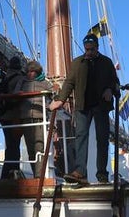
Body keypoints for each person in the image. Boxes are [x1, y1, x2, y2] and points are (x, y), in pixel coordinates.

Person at [48, 33, 120, 184]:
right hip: (82, 106)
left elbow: (115, 82)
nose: (89, 52)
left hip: (101, 106)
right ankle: (80, 172)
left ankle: (102, 174)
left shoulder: (106, 62)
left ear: (97, 47)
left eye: (92, 49)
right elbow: (69, 83)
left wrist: (110, 89)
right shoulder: (77, 63)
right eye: (87, 49)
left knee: (102, 139)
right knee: (81, 137)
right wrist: (60, 100)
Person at [0, 56, 28, 179]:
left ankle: (8, 173)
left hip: (4, 116)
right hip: (16, 116)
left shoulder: (4, 80)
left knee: (10, 145)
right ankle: (11, 172)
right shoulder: (21, 79)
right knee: (14, 146)